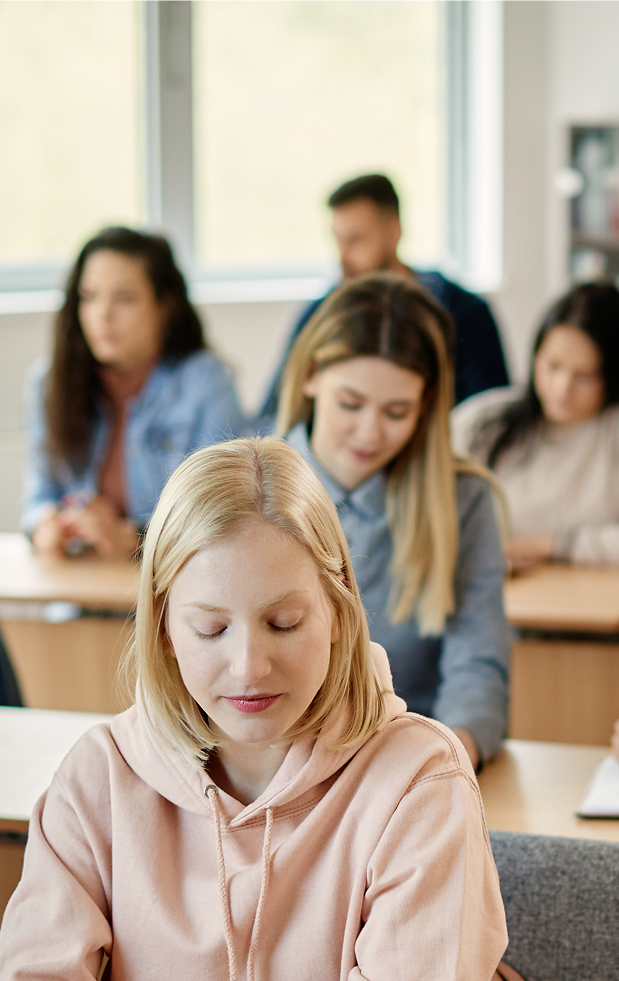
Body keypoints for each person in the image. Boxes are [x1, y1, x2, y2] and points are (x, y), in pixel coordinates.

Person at [0, 438, 507, 981]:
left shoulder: (420, 780)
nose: (249, 667)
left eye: (284, 623)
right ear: (163, 631)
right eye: (210, 630)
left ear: (340, 617)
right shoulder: (101, 775)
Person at [278, 272, 510, 771]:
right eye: (351, 404)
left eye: (397, 411)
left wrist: (446, 759)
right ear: (311, 375)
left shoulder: (463, 500)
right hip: (268, 770)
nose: (370, 433)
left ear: (426, 405)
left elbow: (477, 671)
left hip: (406, 768)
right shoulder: (245, 486)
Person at [24, 226, 246, 559]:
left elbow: (220, 518)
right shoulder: (49, 381)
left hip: (171, 592)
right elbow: (39, 497)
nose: (103, 314)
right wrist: (46, 524)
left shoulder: (206, 383)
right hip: (78, 585)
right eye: (89, 297)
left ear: (164, 307)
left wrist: (134, 539)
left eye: (124, 298)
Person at [259, 174, 509, 426]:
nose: (342, 257)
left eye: (355, 240)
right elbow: (273, 416)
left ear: (394, 231)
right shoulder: (320, 314)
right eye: (337, 241)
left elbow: (489, 420)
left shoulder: (465, 314)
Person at [452, 281, 619, 570]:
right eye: (553, 366)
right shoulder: (482, 422)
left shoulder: (611, 432)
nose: (562, 388)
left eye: (585, 375)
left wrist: (555, 544)